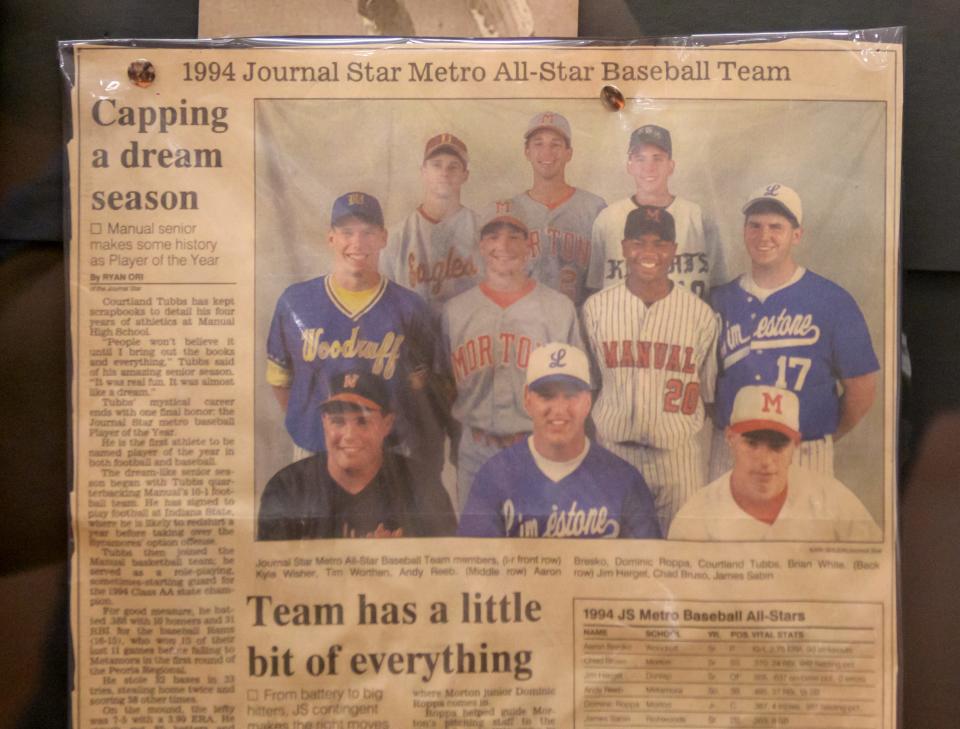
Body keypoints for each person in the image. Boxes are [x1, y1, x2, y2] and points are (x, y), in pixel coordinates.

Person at [266, 191, 446, 476]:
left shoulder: (410, 307)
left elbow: (418, 388)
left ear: (383, 238)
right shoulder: (296, 301)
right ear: (331, 238)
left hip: (388, 452)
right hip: (316, 449)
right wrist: (311, 422)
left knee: (383, 524)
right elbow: (281, 380)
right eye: (347, 232)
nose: (357, 243)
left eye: (368, 232)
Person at [708, 184, 879, 478]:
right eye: (755, 226)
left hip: (805, 449)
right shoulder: (719, 301)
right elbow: (704, 388)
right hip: (733, 450)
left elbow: (862, 387)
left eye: (776, 227)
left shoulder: (831, 300)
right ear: (744, 231)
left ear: (796, 235)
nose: (764, 236)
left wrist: (823, 433)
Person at [582, 205, 719, 534]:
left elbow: (709, 394)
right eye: (638, 242)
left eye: (659, 243)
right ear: (624, 247)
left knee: (679, 557)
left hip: (678, 458)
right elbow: (590, 387)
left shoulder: (700, 314)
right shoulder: (596, 309)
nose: (648, 252)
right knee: (614, 563)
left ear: (673, 250)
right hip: (614, 452)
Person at [442, 212, 582, 511]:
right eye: (493, 237)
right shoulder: (456, 311)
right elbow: (443, 387)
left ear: (530, 246)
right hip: (475, 450)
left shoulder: (559, 308)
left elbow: (576, 393)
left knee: (537, 547)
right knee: (477, 547)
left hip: (538, 448)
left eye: (514, 237)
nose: (503, 245)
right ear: (481, 246)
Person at [458, 343, 661, 539]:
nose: (559, 409)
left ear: (588, 401)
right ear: (527, 399)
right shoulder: (494, 477)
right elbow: (475, 568)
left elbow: (646, 569)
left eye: (571, 396)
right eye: (547, 396)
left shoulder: (624, 480)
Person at [258, 370, 456, 539]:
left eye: (362, 421)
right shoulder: (286, 488)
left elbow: (448, 570)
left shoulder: (422, 486)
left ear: (387, 424)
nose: (350, 435)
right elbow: (269, 579)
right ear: (324, 422)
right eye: (338, 421)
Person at [669, 385, 881, 541]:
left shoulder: (831, 499)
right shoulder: (695, 515)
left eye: (778, 446)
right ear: (730, 438)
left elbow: (876, 571)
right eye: (752, 444)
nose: (765, 461)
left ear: (795, 445)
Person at [589, 124, 724, 300]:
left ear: (671, 166)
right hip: (622, 324)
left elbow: (718, 288)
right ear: (629, 166)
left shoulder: (697, 217)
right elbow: (594, 290)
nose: (649, 167)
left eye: (657, 158)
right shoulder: (608, 218)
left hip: (688, 324)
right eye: (640, 159)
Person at [495, 110, 605, 306]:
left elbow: (603, 285)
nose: (547, 152)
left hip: (579, 326)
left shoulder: (594, 208)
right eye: (538, 144)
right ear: (527, 152)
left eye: (555, 144)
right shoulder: (509, 211)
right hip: (522, 325)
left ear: (568, 153)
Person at [380, 132, 481, 317]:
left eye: (453, 166)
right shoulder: (397, 237)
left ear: (465, 175)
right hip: (415, 340)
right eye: (436, 165)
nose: (444, 172)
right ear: (423, 171)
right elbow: (384, 305)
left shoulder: (483, 231)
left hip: (469, 340)